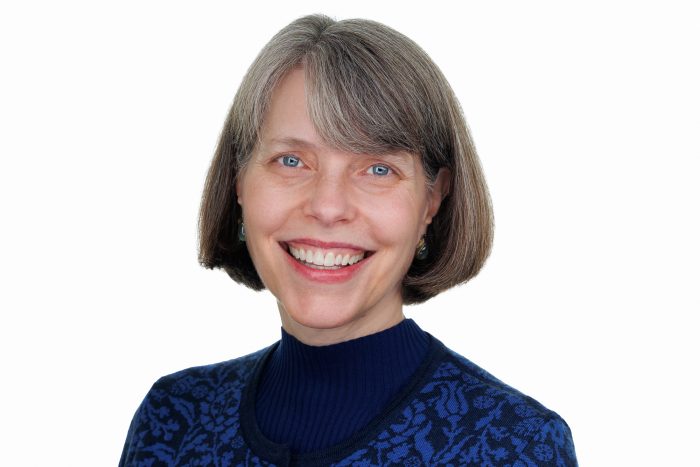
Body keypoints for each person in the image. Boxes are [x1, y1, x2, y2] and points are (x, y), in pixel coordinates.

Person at [119, 14, 577, 466]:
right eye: (291, 161)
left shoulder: (514, 445)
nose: (327, 206)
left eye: (378, 169)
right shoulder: (172, 421)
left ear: (432, 200)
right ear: (239, 181)